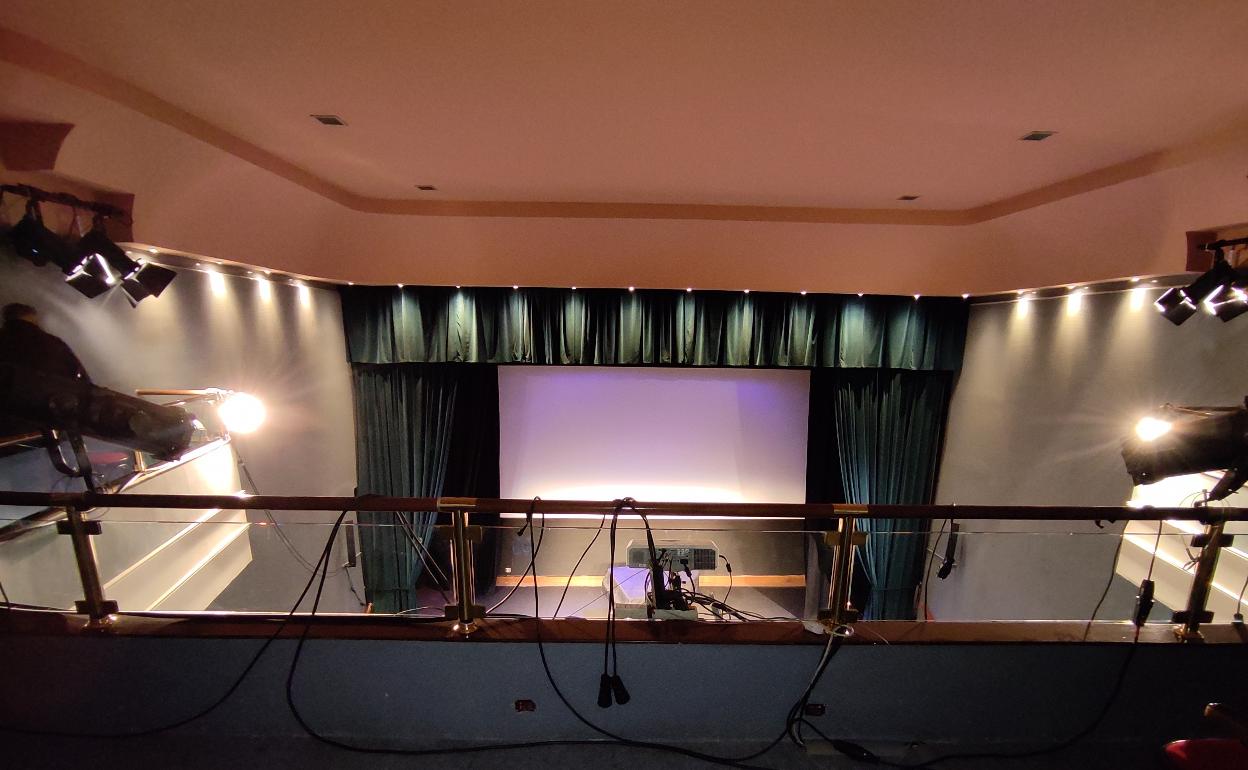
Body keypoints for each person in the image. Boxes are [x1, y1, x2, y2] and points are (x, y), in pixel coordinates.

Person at [0, 303, 91, 383]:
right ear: (30, 317)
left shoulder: (4, 338)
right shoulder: (54, 343)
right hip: (46, 394)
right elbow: (78, 373)